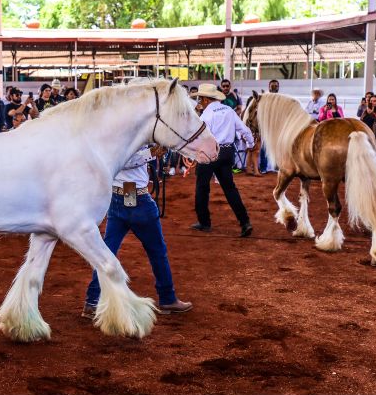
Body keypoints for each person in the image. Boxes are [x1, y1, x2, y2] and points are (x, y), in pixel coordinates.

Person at [81, 144, 192, 319]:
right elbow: (125, 160)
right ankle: (167, 298)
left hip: (118, 196)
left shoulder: (115, 130)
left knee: (106, 252)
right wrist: (152, 152)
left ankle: (92, 301)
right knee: (157, 252)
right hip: (136, 199)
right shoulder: (128, 132)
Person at [189, 84, 254, 237]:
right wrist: (250, 144)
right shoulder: (229, 110)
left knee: (202, 187)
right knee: (230, 188)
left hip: (210, 152)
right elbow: (244, 130)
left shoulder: (206, 115)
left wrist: (192, 153)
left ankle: (204, 222)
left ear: (206, 99)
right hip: (227, 152)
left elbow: (200, 137)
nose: (199, 101)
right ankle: (244, 222)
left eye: (200, 98)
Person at [242, 97, 262, 177]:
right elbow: (248, 123)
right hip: (252, 133)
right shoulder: (251, 111)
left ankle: (249, 169)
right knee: (255, 151)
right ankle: (255, 170)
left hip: (250, 133)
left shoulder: (247, 111)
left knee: (251, 151)